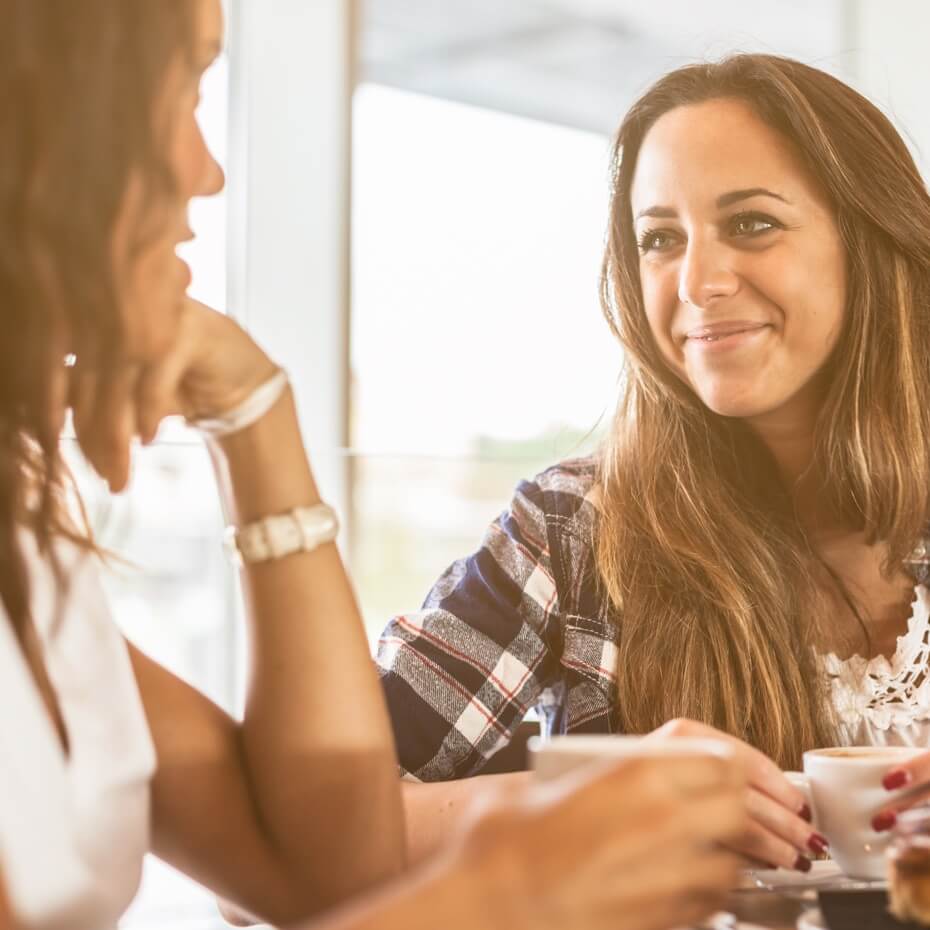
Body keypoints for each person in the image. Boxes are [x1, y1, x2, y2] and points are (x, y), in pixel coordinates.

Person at [0, 1, 748, 928]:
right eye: (185, 89)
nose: (208, 168)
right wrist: (506, 888)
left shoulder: (33, 571)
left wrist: (257, 415)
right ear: (48, 117)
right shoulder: (571, 523)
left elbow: (324, 870)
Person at [377, 51, 930, 875]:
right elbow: (286, 848)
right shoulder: (570, 531)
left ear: (872, 239)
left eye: (751, 223)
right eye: (661, 240)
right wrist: (582, 801)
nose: (696, 281)